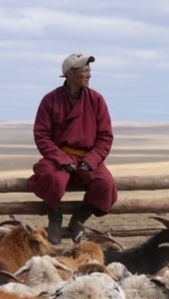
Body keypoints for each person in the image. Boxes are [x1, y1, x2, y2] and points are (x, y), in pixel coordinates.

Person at [27, 53, 118, 244]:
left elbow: (105, 137)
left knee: (105, 184)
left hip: (87, 157)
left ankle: (78, 219)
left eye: (89, 70)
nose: (89, 74)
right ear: (70, 74)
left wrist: (91, 161)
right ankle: (54, 217)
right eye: (84, 70)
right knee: (50, 177)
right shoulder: (50, 100)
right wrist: (62, 159)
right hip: (58, 157)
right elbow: (41, 135)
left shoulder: (97, 100)